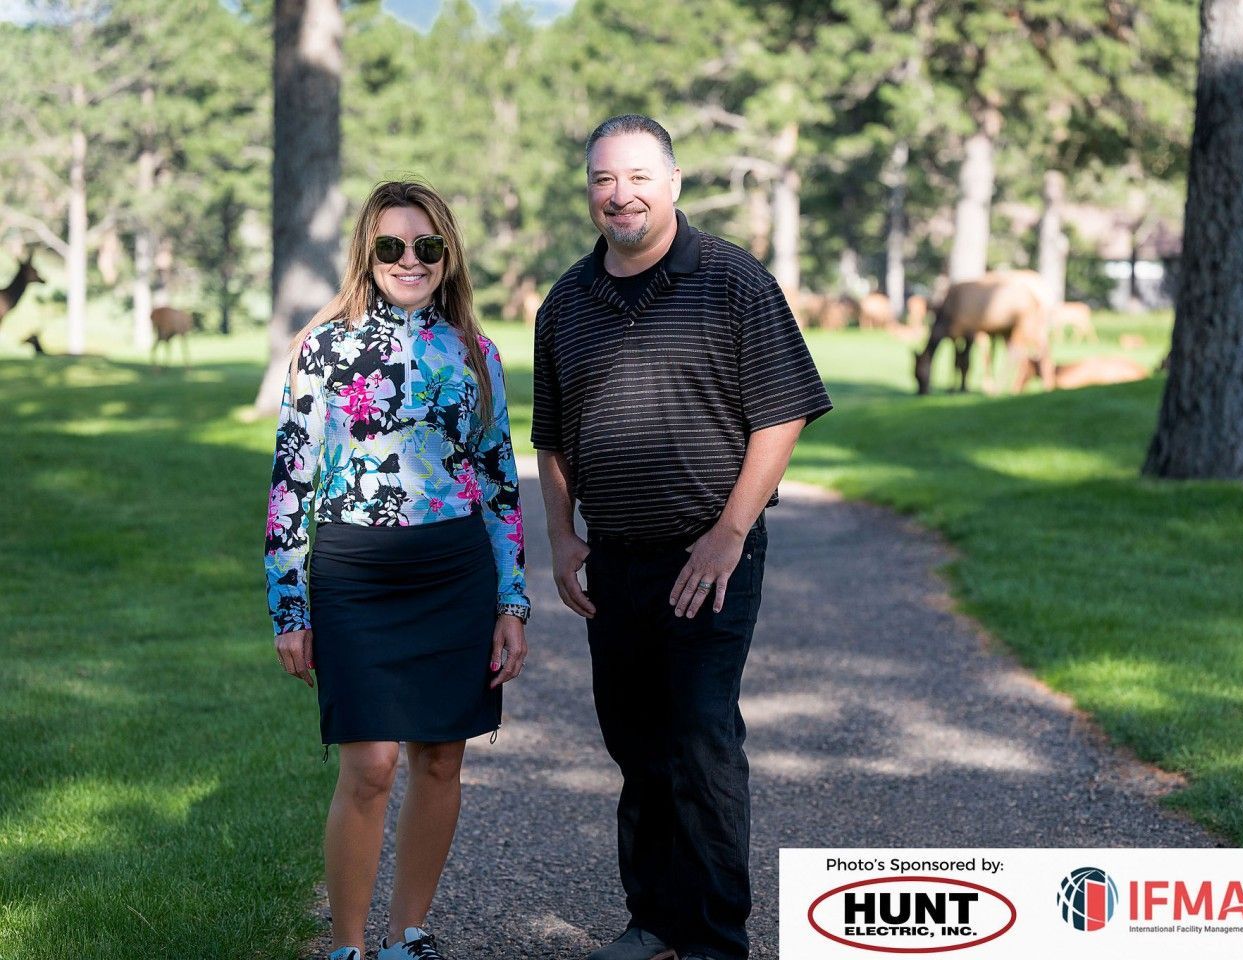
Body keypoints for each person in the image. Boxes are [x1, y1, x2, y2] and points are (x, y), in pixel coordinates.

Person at [532, 115, 831, 960]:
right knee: (633, 739)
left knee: (699, 736)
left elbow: (782, 412)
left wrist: (728, 533)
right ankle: (654, 919)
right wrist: (561, 538)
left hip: (710, 556)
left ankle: (712, 937)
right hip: (615, 557)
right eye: (600, 180)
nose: (617, 194)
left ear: (672, 184)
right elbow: (551, 437)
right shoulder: (565, 303)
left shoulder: (733, 280)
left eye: (634, 177)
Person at [264, 180, 529, 960]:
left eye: (425, 247)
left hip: (454, 573)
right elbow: (291, 482)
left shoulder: (477, 354)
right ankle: (347, 947)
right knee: (372, 765)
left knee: (441, 757)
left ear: (447, 256)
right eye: (390, 247)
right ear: (366, 255)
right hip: (355, 575)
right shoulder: (323, 348)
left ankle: (406, 936)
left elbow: (499, 483)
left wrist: (511, 600)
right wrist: (289, 607)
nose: (408, 260)